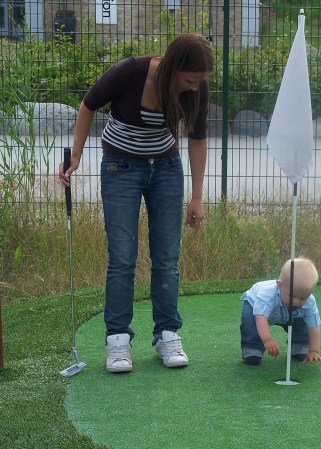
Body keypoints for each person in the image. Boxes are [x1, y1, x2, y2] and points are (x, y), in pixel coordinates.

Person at [59, 34, 214, 373]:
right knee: (123, 256)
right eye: (189, 80)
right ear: (173, 67)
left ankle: (167, 334)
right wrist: (76, 155)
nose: (193, 88)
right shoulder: (129, 72)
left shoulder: (196, 89)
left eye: (199, 82)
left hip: (166, 170)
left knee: (166, 256)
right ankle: (117, 340)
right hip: (120, 167)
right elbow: (88, 104)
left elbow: (198, 138)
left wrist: (198, 197)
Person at [240, 258, 321, 365]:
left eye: (303, 298)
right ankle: (252, 348)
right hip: (255, 307)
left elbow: (314, 327)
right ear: (279, 286)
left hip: (289, 314)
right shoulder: (267, 295)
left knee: (302, 321)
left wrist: (313, 350)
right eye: (292, 296)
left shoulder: (310, 302)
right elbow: (261, 319)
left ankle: (299, 345)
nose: (296, 302)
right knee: (250, 321)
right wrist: (268, 340)